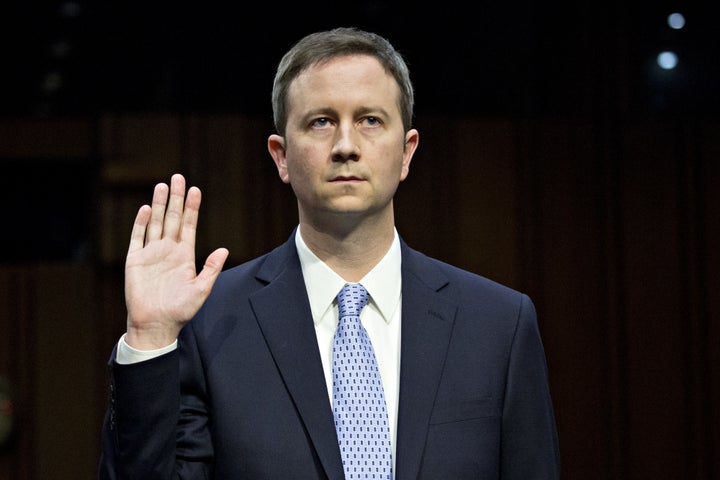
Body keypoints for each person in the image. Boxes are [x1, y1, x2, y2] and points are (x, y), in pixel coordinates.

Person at [98, 27, 560, 479]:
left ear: (407, 151)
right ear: (281, 156)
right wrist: (150, 338)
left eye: (370, 120)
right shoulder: (210, 321)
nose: (345, 146)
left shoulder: (498, 324)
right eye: (321, 122)